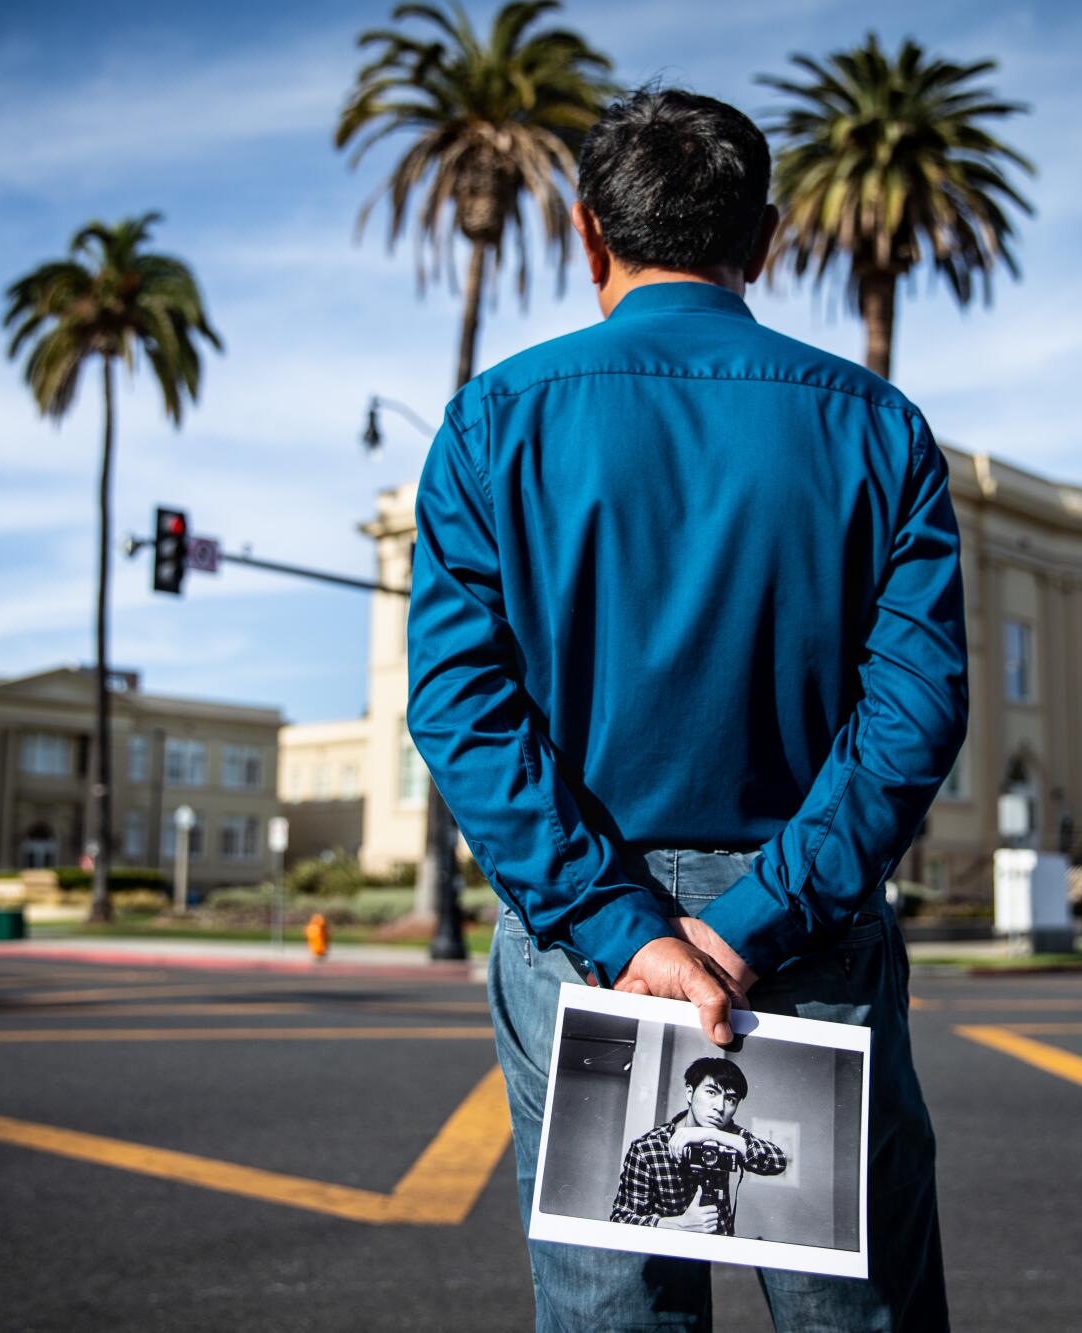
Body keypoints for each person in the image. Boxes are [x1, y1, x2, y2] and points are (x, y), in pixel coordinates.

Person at [407, 87, 965, 1331]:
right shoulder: (876, 426)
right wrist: (757, 918)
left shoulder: (495, 419)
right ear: (762, 240)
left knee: (619, 1318)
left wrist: (626, 930)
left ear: (584, 234)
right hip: (807, 935)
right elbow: (913, 707)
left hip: (587, 950)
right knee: (850, 1315)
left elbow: (459, 702)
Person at [609, 1057, 787, 1234]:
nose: (719, 1107)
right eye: (711, 1092)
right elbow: (621, 1219)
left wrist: (712, 1133)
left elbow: (777, 1161)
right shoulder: (647, 1149)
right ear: (689, 1093)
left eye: (730, 1100)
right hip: (668, 1252)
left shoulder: (726, 1133)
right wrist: (676, 1225)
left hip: (715, 1250)